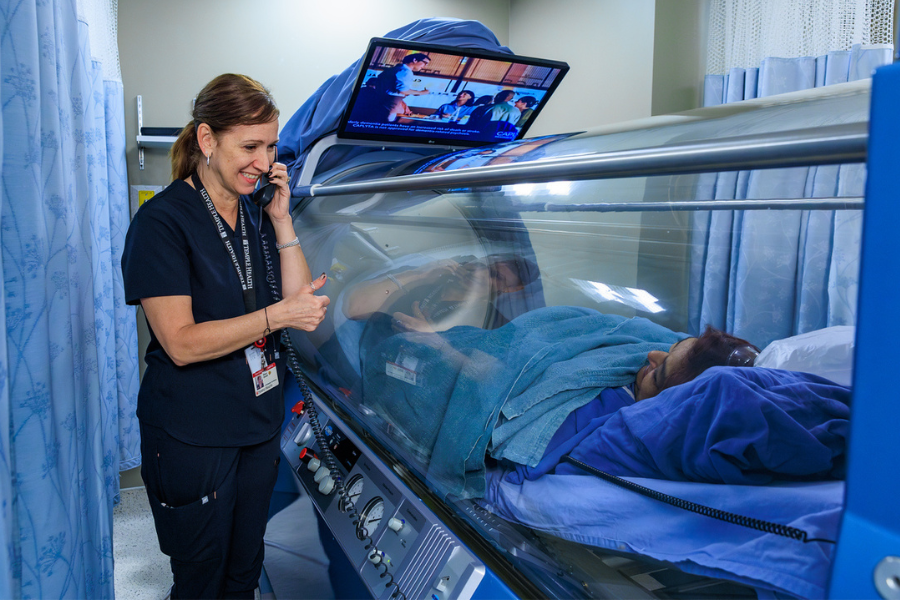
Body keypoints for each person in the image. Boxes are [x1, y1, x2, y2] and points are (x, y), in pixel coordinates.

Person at [121, 73, 330, 599]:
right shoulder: (162, 222)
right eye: (250, 146)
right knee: (200, 578)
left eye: (272, 146)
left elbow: (299, 305)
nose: (264, 162)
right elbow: (181, 342)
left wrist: (283, 221)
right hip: (193, 434)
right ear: (208, 141)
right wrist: (276, 317)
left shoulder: (260, 215)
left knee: (244, 569)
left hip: (258, 425)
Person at [343, 254, 539, 331]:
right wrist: (416, 275)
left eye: (495, 275)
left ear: (510, 289)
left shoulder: (494, 324)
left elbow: (486, 374)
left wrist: (434, 340)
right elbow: (354, 308)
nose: (480, 272)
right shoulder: (427, 276)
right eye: (483, 264)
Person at [372, 52, 432, 122]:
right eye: (425, 63)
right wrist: (422, 92)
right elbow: (402, 90)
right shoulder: (406, 71)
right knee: (387, 123)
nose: (425, 66)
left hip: (379, 100)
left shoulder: (391, 70)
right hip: (392, 102)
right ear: (415, 60)